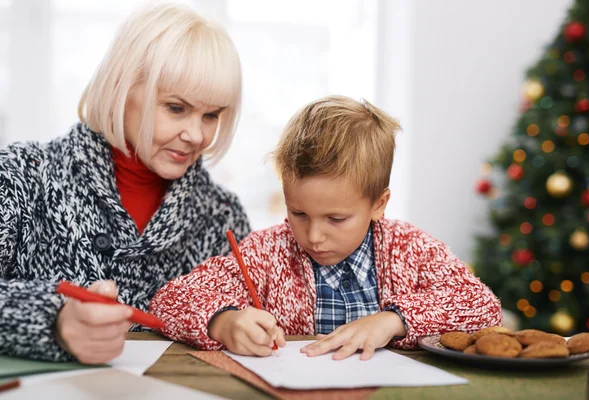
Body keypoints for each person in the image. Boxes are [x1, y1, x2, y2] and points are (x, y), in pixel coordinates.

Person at [149, 95, 502, 360]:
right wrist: (223, 322)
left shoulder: (409, 248)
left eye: (336, 219)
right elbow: (170, 300)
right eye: (298, 213)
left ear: (378, 204)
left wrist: (393, 321)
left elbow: (482, 305)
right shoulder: (266, 252)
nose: (313, 236)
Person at [0, 2, 250, 364]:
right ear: (120, 87)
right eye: (176, 108)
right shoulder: (22, 176)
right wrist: (53, 321)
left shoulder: (223, 218)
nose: (196, 135)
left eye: (211, 115)